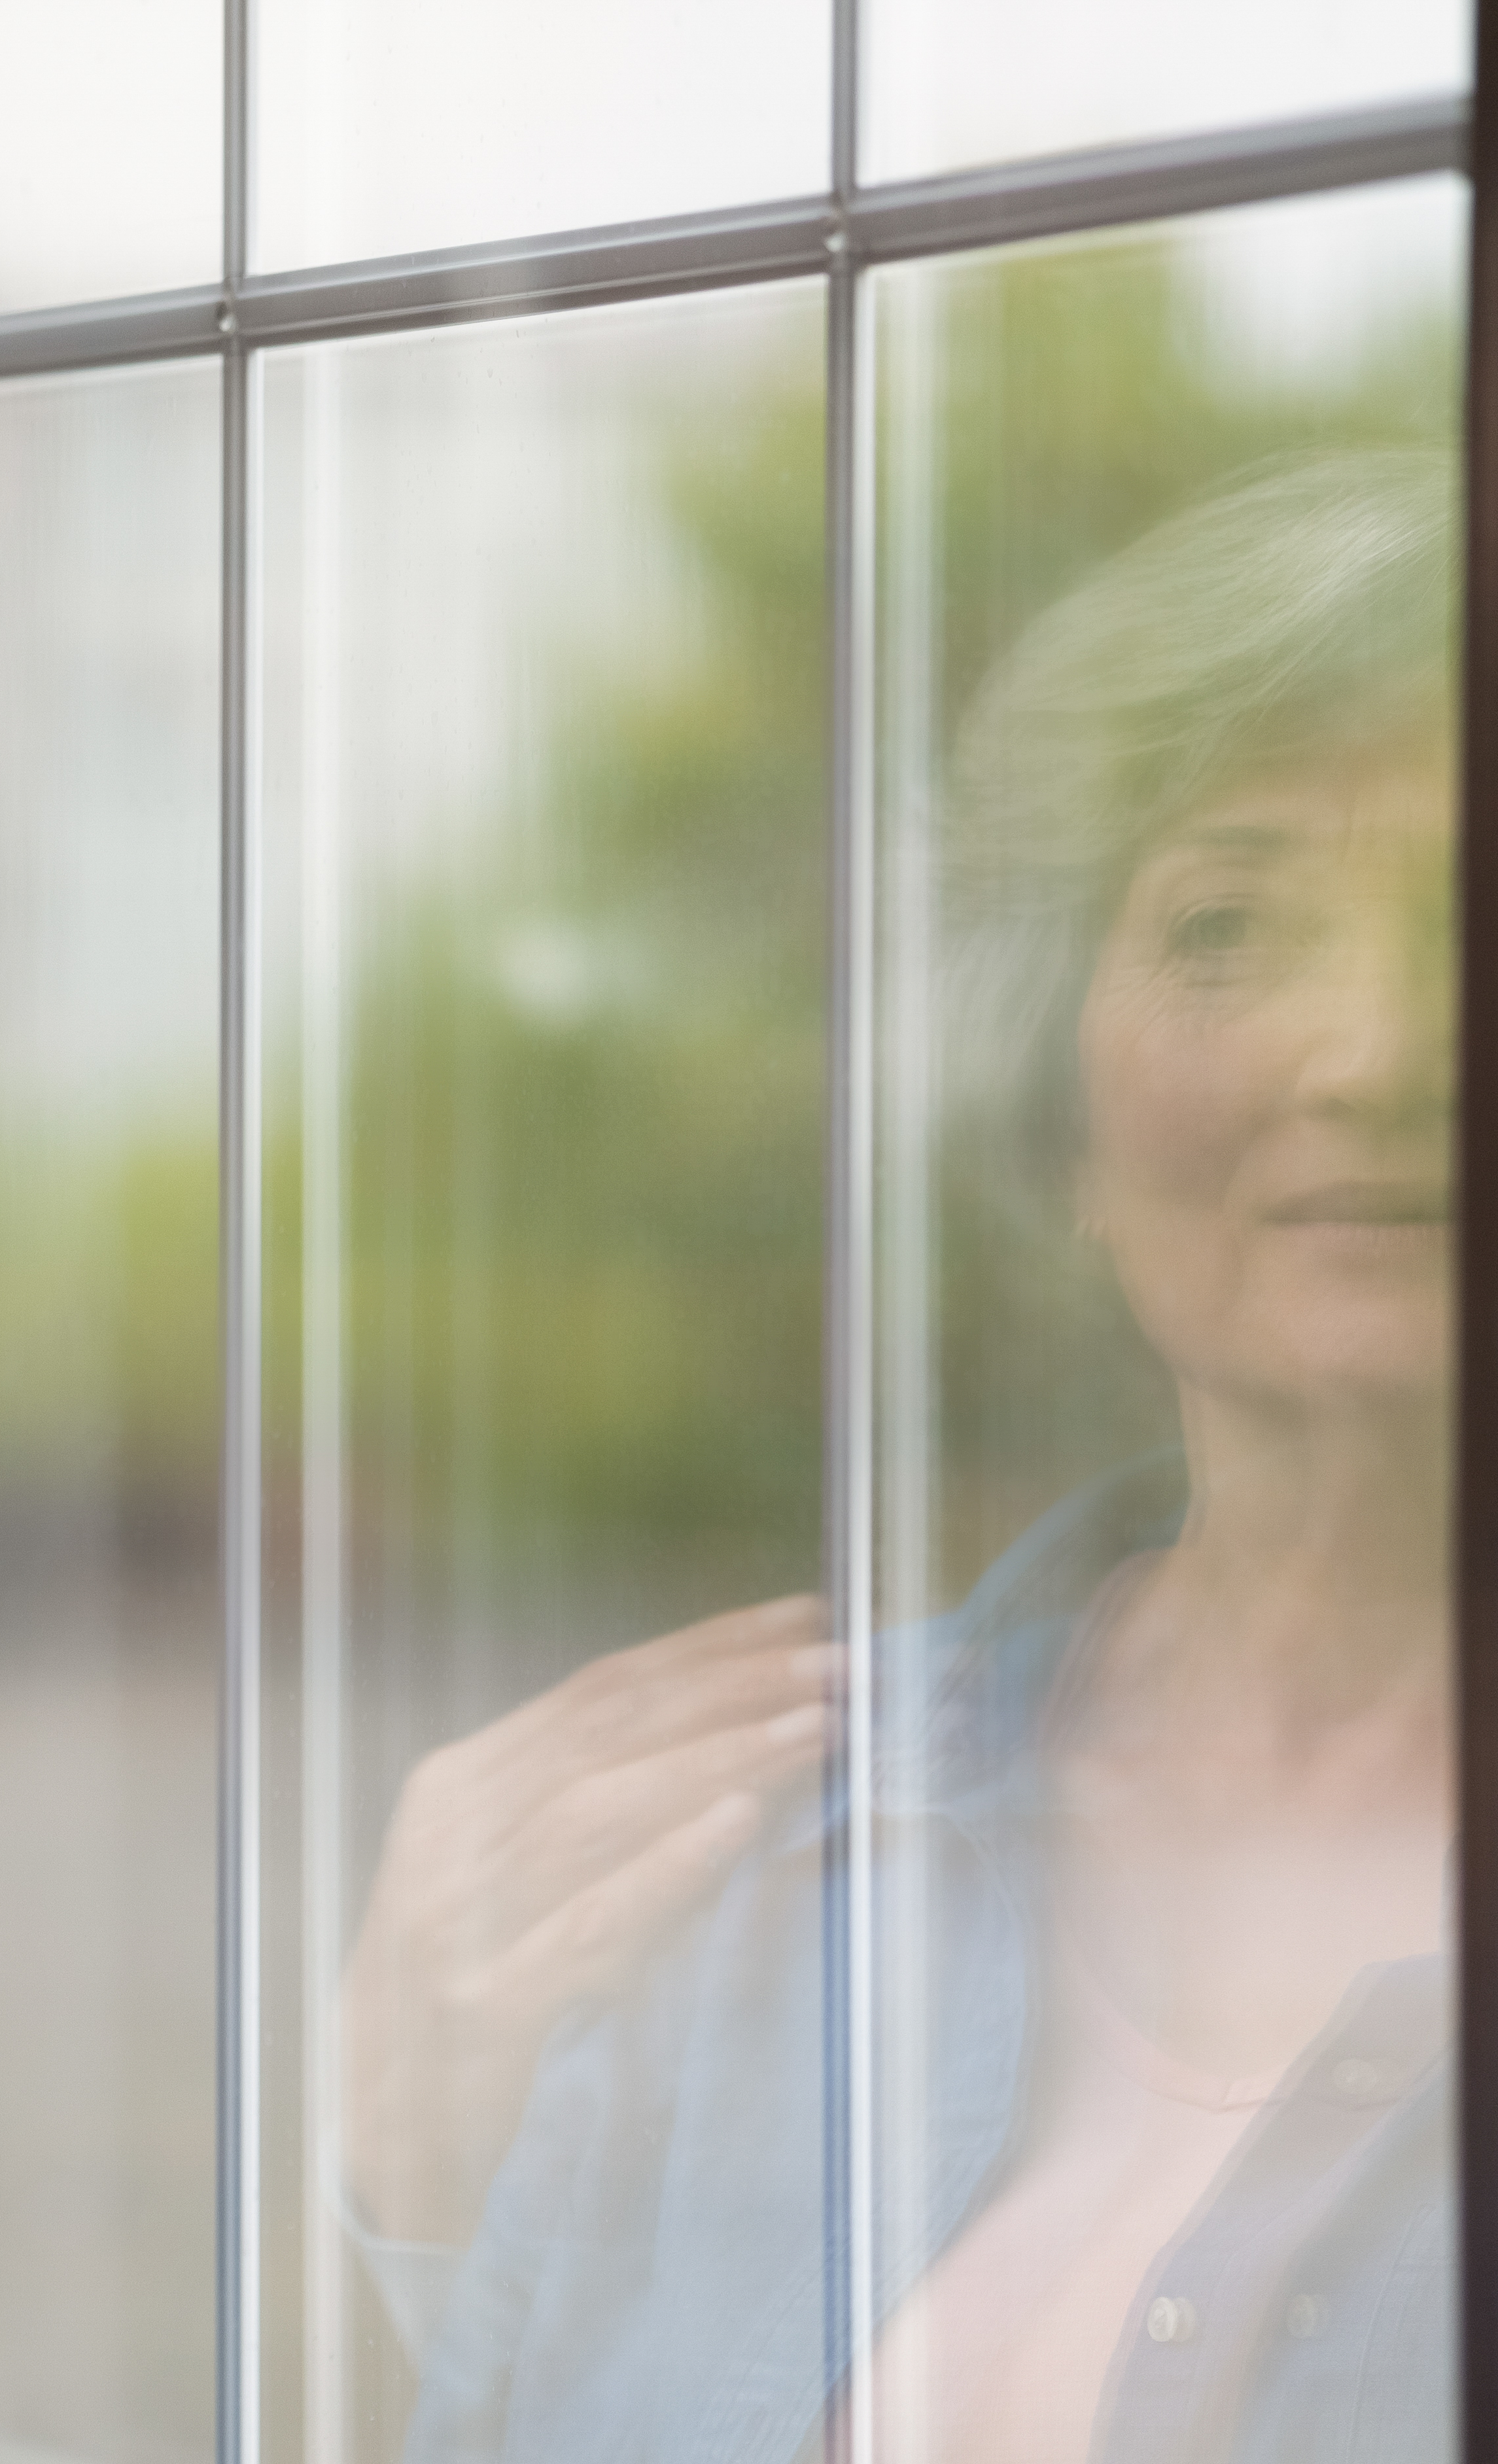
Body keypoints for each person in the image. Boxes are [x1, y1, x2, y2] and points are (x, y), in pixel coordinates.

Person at [343, 449, 1454, 2463]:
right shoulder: (759, 1863)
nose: (1370, 1054)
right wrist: (407, 2175)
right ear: (1061, 1108)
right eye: (1227, 928)